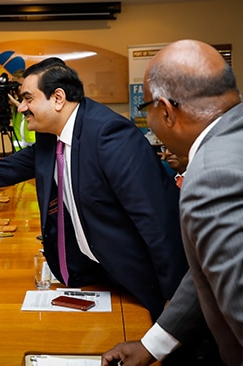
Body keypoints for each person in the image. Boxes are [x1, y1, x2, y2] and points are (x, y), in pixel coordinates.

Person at [0, 57, 187, 322]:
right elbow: (4, 169)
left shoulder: (109, 134)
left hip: (141, 284)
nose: (21, 107)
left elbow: (157, 222)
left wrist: (175, 307)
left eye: (27, 98)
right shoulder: (51, 137)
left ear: (58, 98)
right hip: (96, 278)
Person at [102, 40, 242, 366]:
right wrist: (153, 344)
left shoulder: (210, 176)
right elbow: (211, 267)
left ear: (166, 110)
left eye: (146, 107)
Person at [8, 69, 36, 150]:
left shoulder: (34, 102)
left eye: (20, 85)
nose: (18, 88)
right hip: (19, 151)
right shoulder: (16, 103)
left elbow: (33, 114)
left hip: (33, 149)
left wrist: (17, 104)